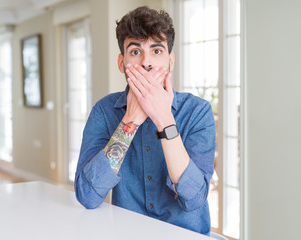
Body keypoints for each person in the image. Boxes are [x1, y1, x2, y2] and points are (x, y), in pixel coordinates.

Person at [74, 6, 216, 235]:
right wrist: (130, 120)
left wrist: (164, 119)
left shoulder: (198, 112)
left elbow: (193, 199)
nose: (146, 63)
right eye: (136, 51)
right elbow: (88, 197)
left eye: (157, 51)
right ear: (122, 63)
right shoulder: (104, 111)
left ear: (170, 61)